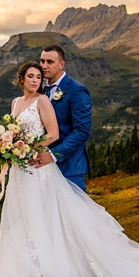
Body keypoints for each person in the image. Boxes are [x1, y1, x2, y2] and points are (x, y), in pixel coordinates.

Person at [0, 60, 139, 277]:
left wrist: (28, 147)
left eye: (39, 77)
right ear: (21, 79)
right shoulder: (15, 102)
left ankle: (46, 274)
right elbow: (12, 130)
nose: (36, 80)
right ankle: (25, 274)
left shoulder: (43, 101)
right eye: (31, 76)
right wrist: (7, 145)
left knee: (43, 218)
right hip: (20, 169)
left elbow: (53, 134)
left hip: (37, 167)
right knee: (24, 217)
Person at [32, 45, 90, 190]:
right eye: (42, 61)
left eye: (50, 62)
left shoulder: (77, 90)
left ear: (61, 64)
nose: (44, 66)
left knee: (73, 212)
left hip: (69, 167)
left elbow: (82, 131)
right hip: (42, 167)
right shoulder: (40, 90)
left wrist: (53, 155)